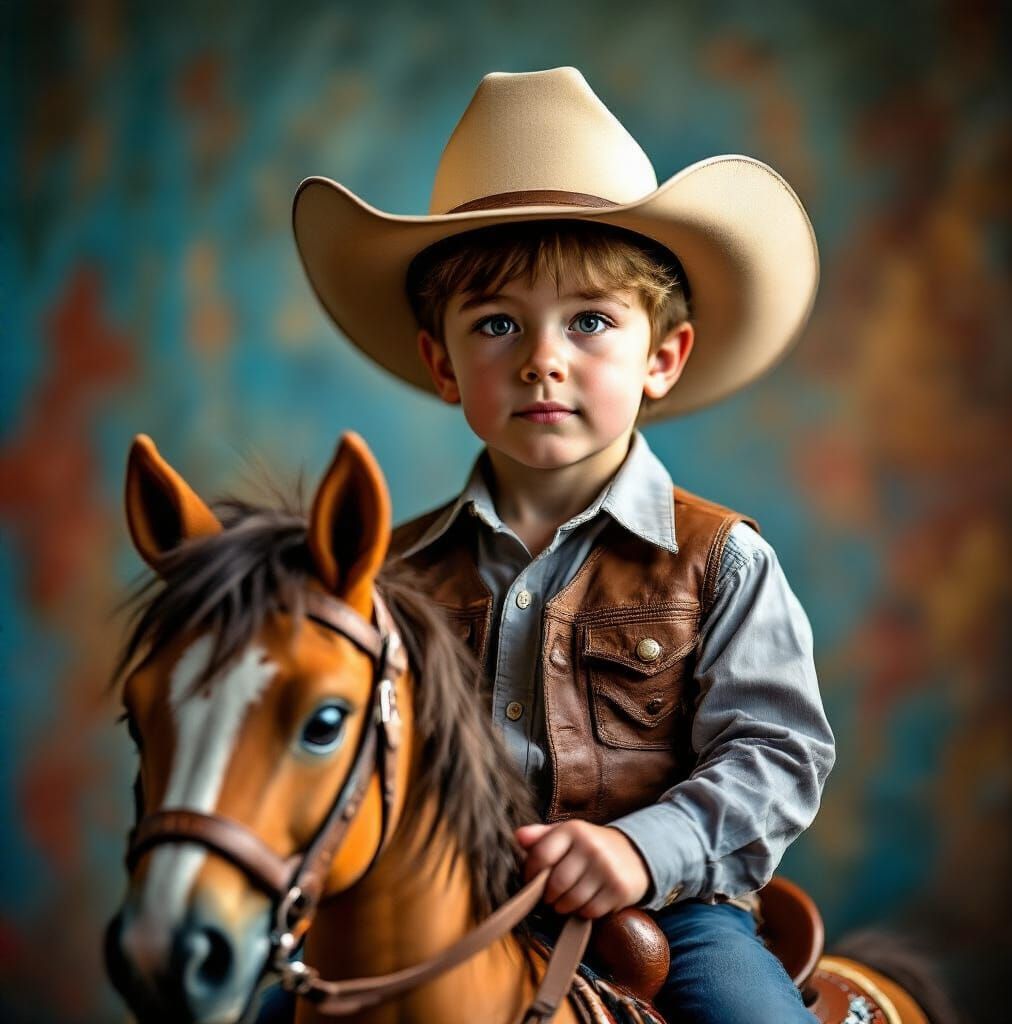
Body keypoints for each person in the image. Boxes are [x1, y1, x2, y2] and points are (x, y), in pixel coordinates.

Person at [292, 66, 835, 1024]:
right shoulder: (393, 578)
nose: (543, 357)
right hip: (439, 910)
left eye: (590, 321)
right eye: (497, 324)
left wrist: (641, 848)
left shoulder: (720, 561)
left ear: (661, 358)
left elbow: (777, 753)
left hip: (670, 914)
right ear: (442, 363)